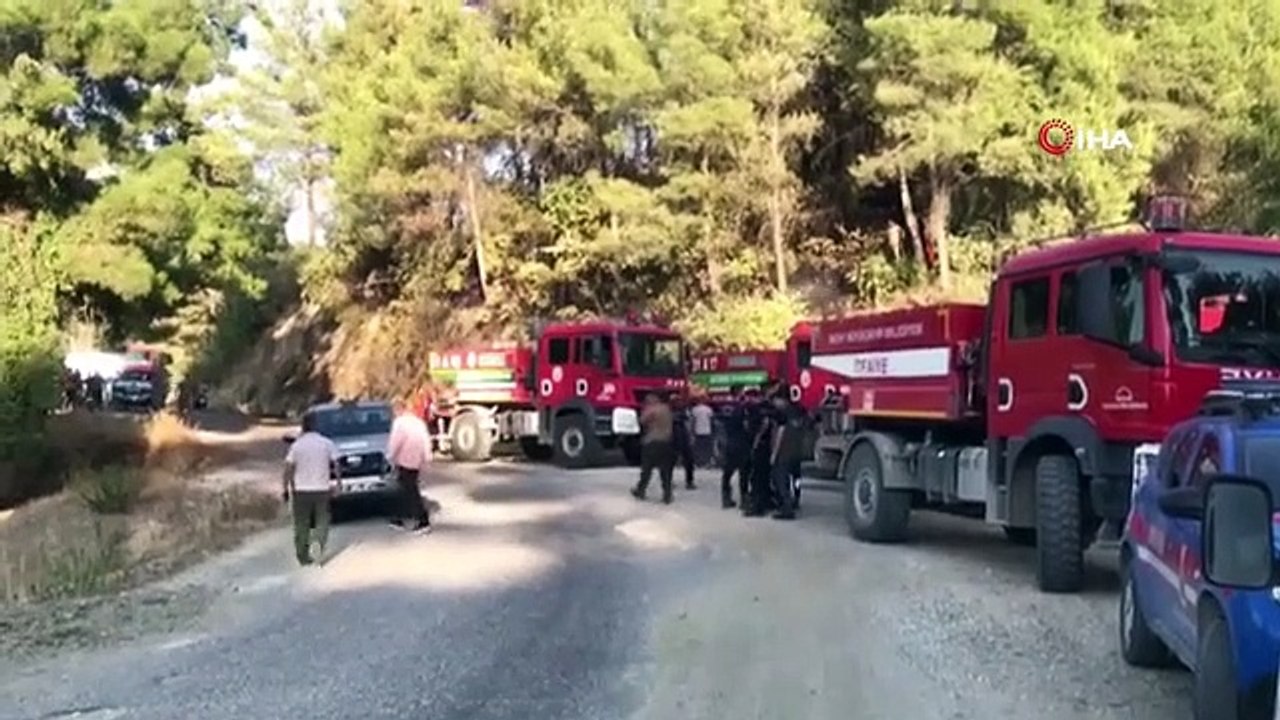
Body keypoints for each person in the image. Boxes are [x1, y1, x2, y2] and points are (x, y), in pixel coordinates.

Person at [283, 413, 339, 566]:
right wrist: (338, 483)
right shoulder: (326, 443)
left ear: (303, 426)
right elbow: (336, 464)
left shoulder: (297, 445)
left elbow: (288, 468)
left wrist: (286, 488)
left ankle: (303, 556)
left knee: (301, 523)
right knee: (323, 519)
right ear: (316, 426)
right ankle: (318, 542)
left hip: (301, 489)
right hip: (321, 488)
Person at [387, 398, 433, 533]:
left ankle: (422, 520)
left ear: (396, 410)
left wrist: (390, 457)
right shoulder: (418, 422)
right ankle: (399, 518)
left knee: (408, 491)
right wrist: (427, 457)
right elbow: (426, 440)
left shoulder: (399, 423)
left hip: (404, 460)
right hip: (416, 460)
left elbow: (396, 442)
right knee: (406, 489)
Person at [631, 392, 675, 504]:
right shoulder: (666, 409)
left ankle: (641, 490)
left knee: (646, 469)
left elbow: (642, 421)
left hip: (652, 441)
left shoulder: (651, 410)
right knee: (665, 471)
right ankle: (667, 494)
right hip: (666, 441)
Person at [769, 392, 807, 520]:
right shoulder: (798, 410)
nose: (774, 403)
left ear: (782, 399)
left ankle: (786, 507)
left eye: (776, 400)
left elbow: (780, 432)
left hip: (784, 451)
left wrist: (774, 453)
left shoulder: (781, 413)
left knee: (780, 479)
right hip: (796, 451)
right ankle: (796, 498)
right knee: (796, 478)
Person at [718, 385, 751, 509]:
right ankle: (744, 499)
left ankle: (726, 498)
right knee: (744, 472)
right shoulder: (741, 407)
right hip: (741, 442)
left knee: (727, 472)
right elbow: (746, 425)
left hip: (729, 441)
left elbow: (721, 424)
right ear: (739, 392)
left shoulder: (724, 407)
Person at [671, 394, 696, 490]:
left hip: (684, 439)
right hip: (674, 439)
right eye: (677, 401)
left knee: (689, 460)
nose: (679, 403)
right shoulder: (670, 413)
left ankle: (689, 481)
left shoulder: (684, 412)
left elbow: (690, 423)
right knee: (671, 461)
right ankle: (668, 480)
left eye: (680, 401)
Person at [690, 395, 715, 468]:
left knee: (698, 448)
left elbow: (693, 421)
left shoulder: (694, 409)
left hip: (698, 431)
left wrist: (692, 431)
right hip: (707, 431)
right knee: (707, 448)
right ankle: (706, 461)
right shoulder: (709, 409)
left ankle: (698, 462)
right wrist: (713, 430)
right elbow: (711, 421)